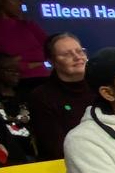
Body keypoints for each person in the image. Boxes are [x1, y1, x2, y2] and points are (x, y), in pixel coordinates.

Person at [25, 33, 92, 161]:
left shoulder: (101, 87)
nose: (78, 57)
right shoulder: (41, 96)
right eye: (67, 54)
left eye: (80, 51)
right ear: (52, 61)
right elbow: (56, 148)